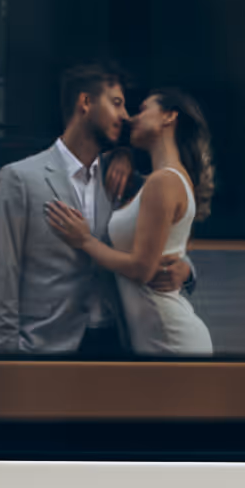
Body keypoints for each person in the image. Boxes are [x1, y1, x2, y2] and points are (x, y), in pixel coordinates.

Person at [0, 62, 194, 357]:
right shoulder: (20, 179)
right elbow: (3, 274)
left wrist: (186, 273)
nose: (125, 115)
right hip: (45, 347)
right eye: (117, 103)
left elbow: (164, 242)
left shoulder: (127, 182)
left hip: (118, 344)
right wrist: (5, 356)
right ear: (85, 102)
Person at [45, 86, 214, 359]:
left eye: (142, 109)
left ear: (169, 117)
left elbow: (146, 264)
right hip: (138, 338)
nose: (130, 117)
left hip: (165, 339)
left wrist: (85, 241)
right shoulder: (154, 180)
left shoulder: (154, 181)